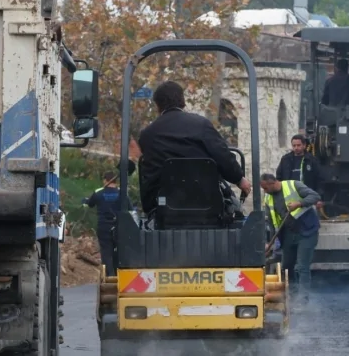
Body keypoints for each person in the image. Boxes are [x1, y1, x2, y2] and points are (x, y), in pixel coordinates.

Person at [136, 81, 252, 215]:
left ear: (157, 105)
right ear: (183, 101)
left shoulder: (147, 135)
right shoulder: (201, 125)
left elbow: (149, 171)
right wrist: (238, 178)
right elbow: (222, 156)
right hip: (207, 202)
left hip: (163, 207)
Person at [260, 173, 321, 304]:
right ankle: (291, 296)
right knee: (287, 267)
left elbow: (315, 196)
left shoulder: (294, 185)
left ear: (272, 183)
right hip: (287, 235)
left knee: (301, 266)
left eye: (265, 188)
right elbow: (271, 223)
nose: (264, 191)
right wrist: (269, 244)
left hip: (306, 232)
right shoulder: (268, 198)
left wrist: (299, 203)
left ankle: (303, 299)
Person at [82, 171, 129, 276]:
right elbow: (130, 208)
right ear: (115, 182)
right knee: (119, 250)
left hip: (104, 226)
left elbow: (90, 204)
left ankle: (109, 277)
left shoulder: (99, 192)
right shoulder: (122, 193)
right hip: (119, 226)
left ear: (105, 180)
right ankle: (120, 275)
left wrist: (84, 201)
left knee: (106, 251)